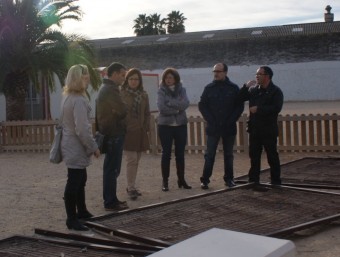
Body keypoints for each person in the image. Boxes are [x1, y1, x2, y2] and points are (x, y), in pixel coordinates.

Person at [61, 64, 101, 231]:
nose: (88, 78)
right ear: (79, 78)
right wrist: (93, 147)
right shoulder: (78, 100)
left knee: (80, 179)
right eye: (85, 76)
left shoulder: (68, 97)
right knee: (75, 181)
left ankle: (82, 211)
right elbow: (82, 129)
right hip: (75, 146)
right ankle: (72, 218)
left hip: (71, 144)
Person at [198, 63, 244, 190]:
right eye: (214, 71)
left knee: (228, 155)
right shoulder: (208, 88)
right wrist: (210, 120)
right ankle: (205, 180)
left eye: (218, 71)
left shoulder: (233, 88)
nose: (216, 73)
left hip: (228, 127)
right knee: (210, 154)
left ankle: (229, 179)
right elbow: (202, 105)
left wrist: (231, 120)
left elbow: (239, 106)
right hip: (213, 127)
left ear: (225, 72)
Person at [238, 66, 284, 185]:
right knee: (254, 157)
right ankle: (253, 180)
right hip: (255, 130)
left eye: (260, 74)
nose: (257, 76)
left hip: (268, 130)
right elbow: (239, 98)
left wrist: (259, 109)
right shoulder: (253, 90)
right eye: (256, 74)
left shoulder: (276, 91)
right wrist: (245, 86)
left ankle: (275, 181)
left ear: (267, 76)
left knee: (272, 156)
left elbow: (276, 108)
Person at [96, 62, 128, 211]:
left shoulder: (107, 88)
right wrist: (120, 111)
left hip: (111, 133)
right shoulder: (110, 89)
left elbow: (120, 110)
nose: (124, 78)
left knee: (111, 168)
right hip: (114, 133)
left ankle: (112, 199)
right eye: (122, 75)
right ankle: (110, 201)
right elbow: (122, 110)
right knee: (112, 169)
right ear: (114, 74)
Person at [157, 68, 191, 191]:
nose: (168, 80)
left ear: (175, 78)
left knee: (180, 154)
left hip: (181, 126)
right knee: (166, 154)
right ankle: (165, 182)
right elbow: (161, 108)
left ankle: (181, 180)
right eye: (166, 78)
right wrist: (177, 109)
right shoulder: (161, 91)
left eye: (170, 77)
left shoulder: (182, 90)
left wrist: (170, 102)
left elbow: (186, 103)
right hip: (165, 127)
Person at [121, 68, 151, 200]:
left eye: (136, 79)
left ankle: (131, 185)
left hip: (140, 131)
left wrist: (145, 127)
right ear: (127, 80)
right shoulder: (122, 93)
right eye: (131, 79)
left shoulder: (143, 95)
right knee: (131, 159)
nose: (134, 81)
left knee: (137, 159)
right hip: (128, 131)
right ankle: (131, 187)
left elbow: (147, 113)